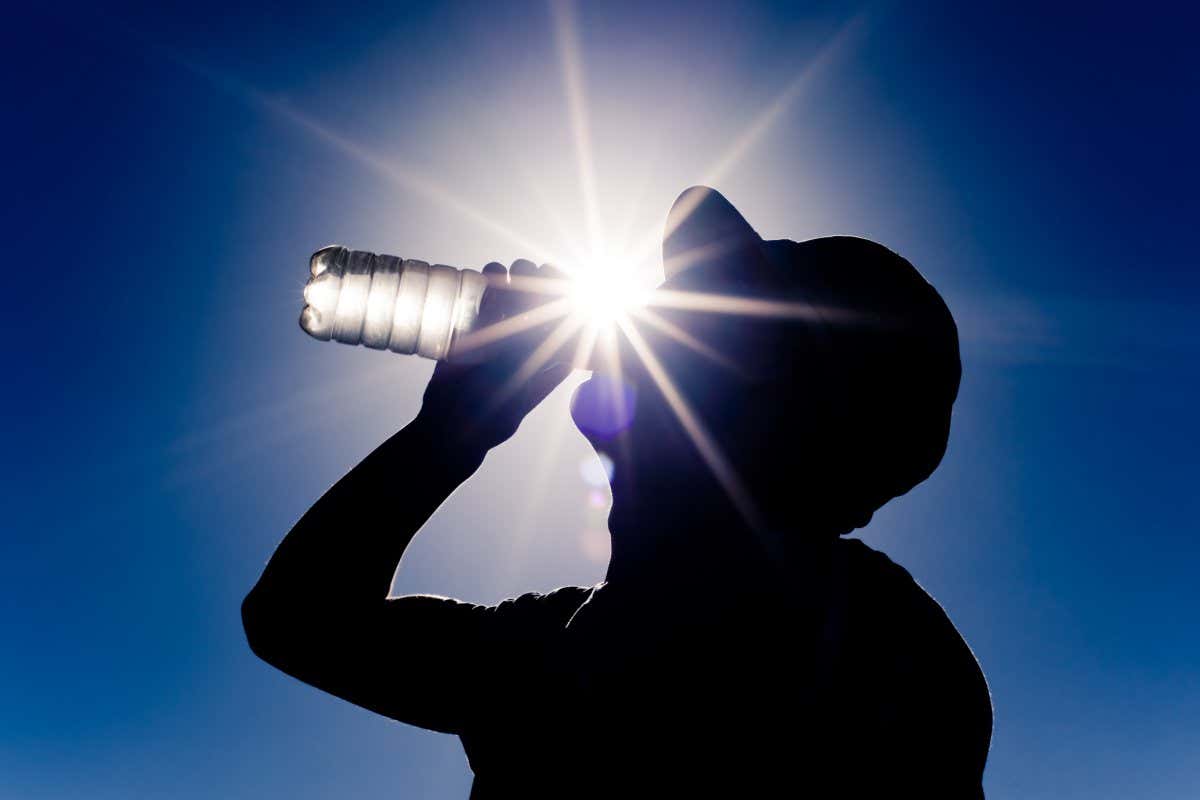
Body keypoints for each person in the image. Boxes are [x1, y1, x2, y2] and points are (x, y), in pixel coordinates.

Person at [242, 186, 993, 797]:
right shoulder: (545, 645)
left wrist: (449, 440)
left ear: (788, 420)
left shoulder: (888, 660)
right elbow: (293, 621)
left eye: (700, 361)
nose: (597, 409)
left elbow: (294, 623)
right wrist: (448, 433)